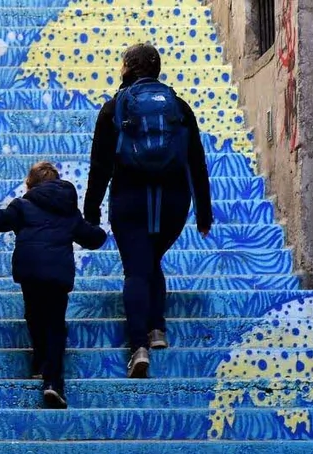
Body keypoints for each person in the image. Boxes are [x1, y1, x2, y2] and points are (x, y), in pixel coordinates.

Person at [82, 43, 214, 378]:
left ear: (127, 67)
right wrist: (203, 212)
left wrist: (91, 209)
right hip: (173, 202)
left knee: (137, 270)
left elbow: (100, 167)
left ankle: (138, 346)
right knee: (151, 259)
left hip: (130, 200)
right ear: (156, 69)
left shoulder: (113, 109)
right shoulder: (179, 107)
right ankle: (157, 329)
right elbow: (197, 163)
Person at [0, 162, 107, 409]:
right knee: (55, 325)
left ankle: (40, 363)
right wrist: (96, 222)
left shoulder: (23, 206)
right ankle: (52, 382)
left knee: (34, 316)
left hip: (30, 270)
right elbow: (93, 239)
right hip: (58, 273)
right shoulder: (69, 211)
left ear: (30, 183)